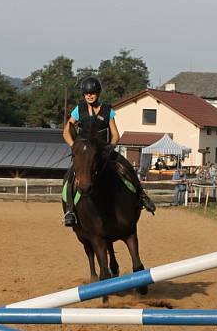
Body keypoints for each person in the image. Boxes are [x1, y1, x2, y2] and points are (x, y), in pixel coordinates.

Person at [61, 76, 156, 226]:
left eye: (92, 93)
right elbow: (66, 132)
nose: (89, 96)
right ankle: (70, 211)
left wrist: (110, 147)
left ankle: (142, 196)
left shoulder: (107, 110)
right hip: (85, 153)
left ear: (98, 93)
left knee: (127, 167)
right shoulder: (78, 110)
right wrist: (75, 147)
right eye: (87, 93)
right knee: (70, 177)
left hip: (104, 150)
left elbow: (115, 134)